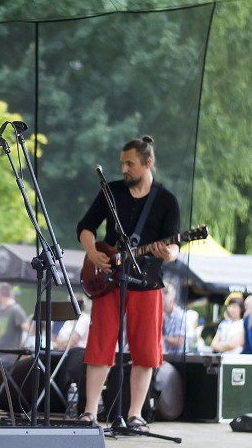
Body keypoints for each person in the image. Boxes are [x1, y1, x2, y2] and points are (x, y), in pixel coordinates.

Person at [76, 135, 181, 432]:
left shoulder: (166, 200)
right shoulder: (112, 192)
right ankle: (89, 412)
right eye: (121, 163)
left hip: (147, 281)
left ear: (148, 163)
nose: (123, 169)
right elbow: (85, 227)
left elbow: (174, 246)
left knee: (146, 350)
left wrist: (168, 254)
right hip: (110, 279)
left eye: (129, 164)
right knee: (100, 343)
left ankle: (135, 415)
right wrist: (93, 253)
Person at [162, 286, 187, 355]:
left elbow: (179, 342)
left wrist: (163, 338)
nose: (162, 305)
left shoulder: (179, 316)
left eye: (164, 302)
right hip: (168, 358)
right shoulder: (166, 316)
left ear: (171, 301)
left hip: (176, 360)